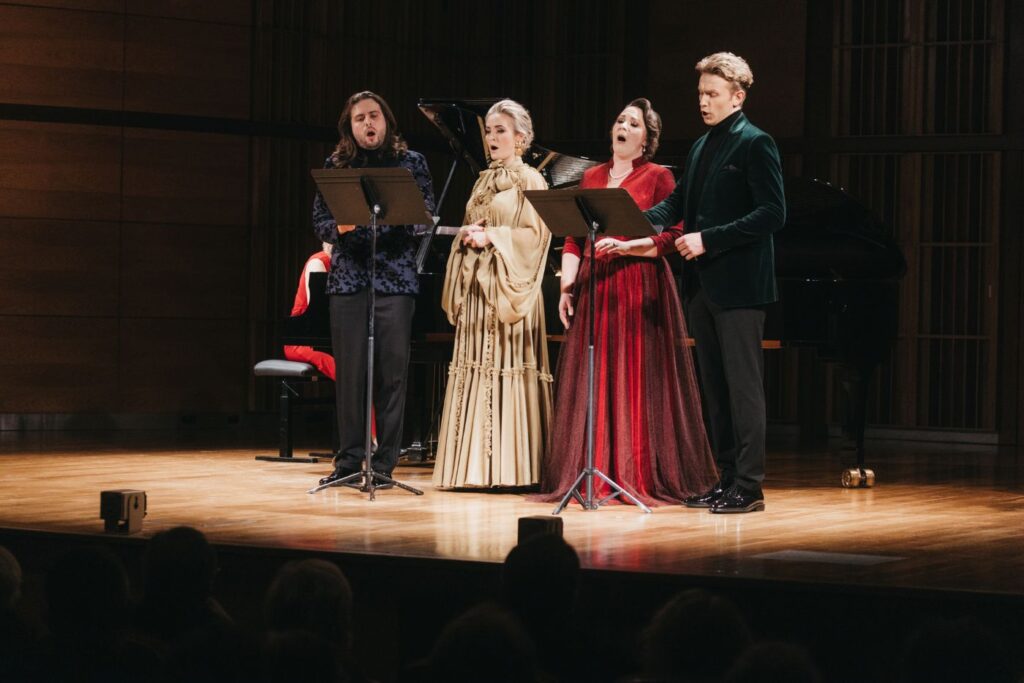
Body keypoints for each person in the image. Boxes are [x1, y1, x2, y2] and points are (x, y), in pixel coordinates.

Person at [535, 98, 717, 507]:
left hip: (639, 284)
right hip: (596, 286)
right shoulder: (592, 176)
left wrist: (636, 246)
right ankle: (593, 471)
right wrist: (567, 285)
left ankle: (634, 472)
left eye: (634, 124)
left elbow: (675, 232)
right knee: (596, 375)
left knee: (634, 376)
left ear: (647, 139)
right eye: (620, 120)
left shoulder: (658, 177)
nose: (624, 126)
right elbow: (573, 236)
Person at [645, 52, 786, 513]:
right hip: (704, 286)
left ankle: (750, 484)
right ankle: (726, 478)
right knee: (716, 387)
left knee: (743, 388)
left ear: (737, 96)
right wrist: (625, 222)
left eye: (712, 94)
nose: (703, 102)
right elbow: (677, 205)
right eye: (701, 94)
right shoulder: (703, 146)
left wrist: (710, 240)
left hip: (741, 286)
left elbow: (772, 213)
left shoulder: (755, 143)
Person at [313, 91, 436, 485]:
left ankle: (383, 465)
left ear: (387, 120)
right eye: (359, 119)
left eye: (374, 116)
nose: (368, 124)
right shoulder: (337, 165)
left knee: (391, 375)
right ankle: (348, 462)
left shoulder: (410, 163)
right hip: (349, 279)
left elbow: (425, 214)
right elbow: (320, 219)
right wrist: (339, 228)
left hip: (395, 279)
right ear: (349, 127)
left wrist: (417, 220)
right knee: (350, 375)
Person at [432, 99, 552, 489]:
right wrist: (468, 235)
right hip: (478, 287)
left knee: (507, 365)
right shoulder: (482, 180)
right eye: (489, 131)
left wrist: (494, 237)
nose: (492, 138)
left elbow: (536, 237)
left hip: (507, 290)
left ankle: (512, 470)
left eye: (501, 130)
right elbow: (472, 222)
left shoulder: (532, 180)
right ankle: (473, 469)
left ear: (521, 138)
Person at [283, 242, 335, 380]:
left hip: (331, 339)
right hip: (302, 341)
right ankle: (364, 401)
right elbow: (319, 312)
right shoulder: (318, 263)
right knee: (338, 363)